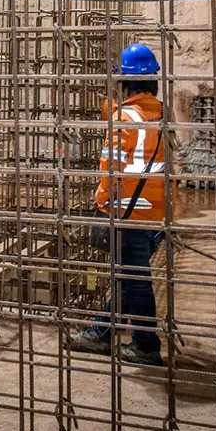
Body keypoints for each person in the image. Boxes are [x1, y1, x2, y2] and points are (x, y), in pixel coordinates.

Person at [65, 43, 168, 366]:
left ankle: (146, 345)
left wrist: (100, 199)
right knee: (127, 276)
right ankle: (101, 332)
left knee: (135, 281)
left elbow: (110, 166)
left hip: (128, 212)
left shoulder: (125, 117)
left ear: (124, 82)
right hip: (157, 209)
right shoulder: (162, 113)